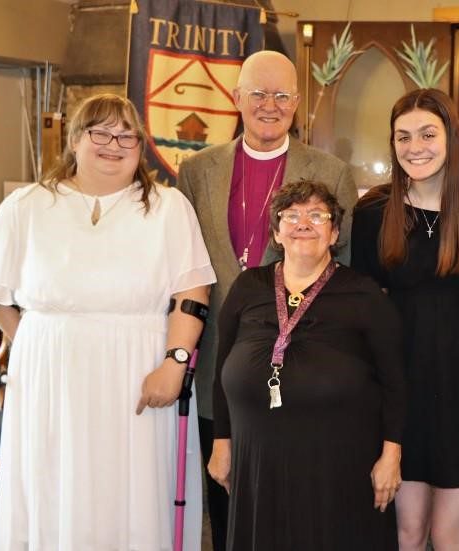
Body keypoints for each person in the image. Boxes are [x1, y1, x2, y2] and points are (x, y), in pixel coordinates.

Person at [0, 93, 216, 550]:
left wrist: (175, 364)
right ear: (75, 140)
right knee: (51, 482)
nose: (113, 143)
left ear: (141, 145)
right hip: (49, 375)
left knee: (131, 486)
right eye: (99, 132)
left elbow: (192, 293)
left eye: (127, 134)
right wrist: (34, 344)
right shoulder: (28, 206)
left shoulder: (167, 208)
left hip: (139, 368)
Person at [176, 50, 358, 548]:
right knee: (229, 503)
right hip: (223, 362)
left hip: (306, 370)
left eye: (282, 95)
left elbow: (344, 275)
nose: (269, 105)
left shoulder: (332, 172)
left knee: (297, 509)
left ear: (297, 103)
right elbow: (181, 265)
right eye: (258, 93)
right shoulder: (196, 171)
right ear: (236, 99)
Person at [351, 88, 459, 551]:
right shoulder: (373, 213)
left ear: (451, 138)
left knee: (450, 535)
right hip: (401, 390)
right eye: (402, 137)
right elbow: (364, 306)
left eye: (427, 133)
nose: (414, 146)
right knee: (407, 531)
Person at [207, 180, 405, 550]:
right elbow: (221, 371)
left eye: (317, 215)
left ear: (333, 234)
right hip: (257, 463)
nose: (304, 223)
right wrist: (222, 443)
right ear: (276, 233)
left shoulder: (364, 294)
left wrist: (391, 454)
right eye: (292, 215)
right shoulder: (248, 286)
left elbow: (396, 382)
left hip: (339, 466)